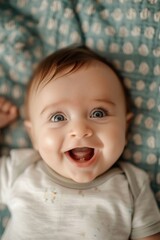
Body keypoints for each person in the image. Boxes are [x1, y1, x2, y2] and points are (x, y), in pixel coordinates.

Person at [0, 46, 160, 240]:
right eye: (58, 117)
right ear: (34, 136)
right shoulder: (19, 170)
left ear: (125, 128)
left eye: (98, 113)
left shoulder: (132, 185)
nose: (80, 129)